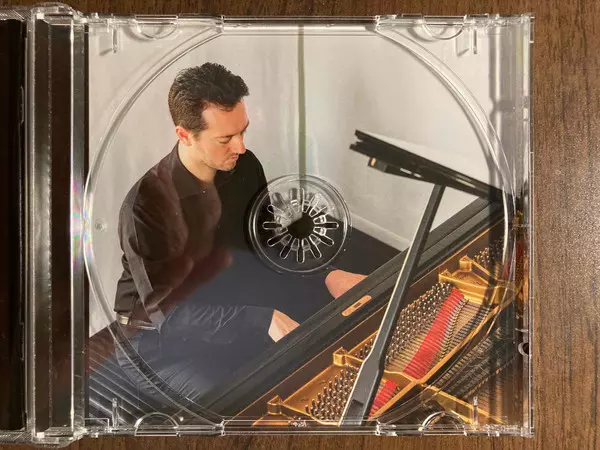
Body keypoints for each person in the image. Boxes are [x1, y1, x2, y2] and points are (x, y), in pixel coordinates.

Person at [113, 63, 364, 402]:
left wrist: (327, 275)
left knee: (337, 333)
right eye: (226, 139)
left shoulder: (243, 166)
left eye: (243, 131)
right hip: (161, 346)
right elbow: (169, 315)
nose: (241, 147)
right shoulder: (146, 206)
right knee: (238, 407)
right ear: (184, 135)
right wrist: (260, 319)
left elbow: (267, 244)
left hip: (227, 298)